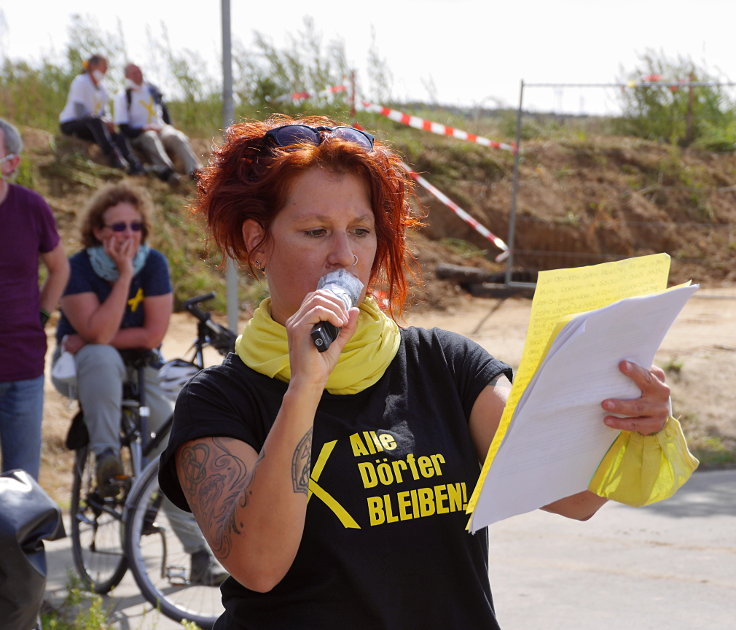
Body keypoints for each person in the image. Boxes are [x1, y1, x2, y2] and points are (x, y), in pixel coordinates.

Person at [157, 115, 673, 629]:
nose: (345, 256)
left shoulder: (447, 365)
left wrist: (632, 419)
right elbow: (260, 566)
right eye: (315, 231)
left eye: (360, 231)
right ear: (257, 242)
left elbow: (574, 498)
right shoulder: (219, 400)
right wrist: (306, 384)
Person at [50, 181, 225, 585]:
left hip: (142, 363)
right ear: (98, 230)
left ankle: (198, 553)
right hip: (85, 370)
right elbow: (97, 339)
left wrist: (99, 327)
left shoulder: (154, 263)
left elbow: (149, 336)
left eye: (134, 227)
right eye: (117, 227)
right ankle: (108, 459)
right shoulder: (78, 268)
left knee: (170, 445)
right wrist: (124, 279)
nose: (127, 235)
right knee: (99, 354)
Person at [0, 118, 69, 481]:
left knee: (21, 484)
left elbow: (59, 269)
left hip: (22, 366)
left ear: (11, 163)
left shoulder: (31, 207)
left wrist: (40, 316)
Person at [114, 63, 202, 183]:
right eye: (134, 73)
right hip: (140, 133)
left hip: (160, 128)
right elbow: (123, 127)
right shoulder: (123, 96)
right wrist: (144, 128)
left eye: (139, 71)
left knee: (177, 136)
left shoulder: (152, 89)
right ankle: (167, 171)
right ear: (127, 76)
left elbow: (163, 109)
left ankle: (195, 171)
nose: (138, 75)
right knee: (151, 137)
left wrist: (166, 125)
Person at [59, 54, 144, 175]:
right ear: (93, 66)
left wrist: (108, 122)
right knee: (94, 121)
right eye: (104, 66)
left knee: (118, 135)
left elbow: (105, 111)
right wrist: (101, 120)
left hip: (95, 126)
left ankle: (133, 163)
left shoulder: (103, 87)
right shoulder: (81, 81)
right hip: (72, 124)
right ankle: (113, 156)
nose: (106, 69)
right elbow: (80, 112)